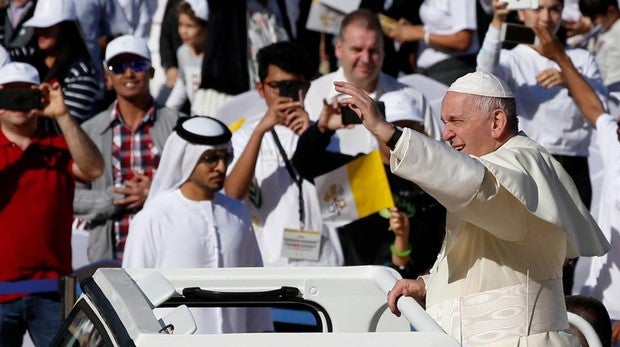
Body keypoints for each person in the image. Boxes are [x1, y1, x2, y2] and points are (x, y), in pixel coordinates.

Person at [333, 70, 610, 346]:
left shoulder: (522, 165)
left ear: (497, 122)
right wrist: (429, 286)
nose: (446, 134)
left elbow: (474, 183)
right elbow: (488, 266)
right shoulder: (500, 167)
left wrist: (389, 133)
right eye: (444, 122)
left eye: (456, 121)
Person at [476, 0, 608, 294]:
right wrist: (497, 22)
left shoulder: (581, 59)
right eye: (538, 7)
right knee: (525, 252)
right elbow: (484, 74)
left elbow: (601, 109)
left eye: (554, 9)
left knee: (566, 257)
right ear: (521, 12)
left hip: (574, 165)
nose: (546, 17)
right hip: (529, 164)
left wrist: (568, 78)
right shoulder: (513, 58)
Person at [123, 116, 272, 334]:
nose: (221, 167)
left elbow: (256, 290)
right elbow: (132, 297)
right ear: (187, 158)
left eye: (226, 157)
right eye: (211, 158)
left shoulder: (238, 214)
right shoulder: (154, 217)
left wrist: (264, 335)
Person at [0, 62, 103, 346]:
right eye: (9, 94)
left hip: (52, 290)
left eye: (27, 94)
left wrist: (63, 114)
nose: (18, 102)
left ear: (41, 96)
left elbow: (93, 169)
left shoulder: (58, 145)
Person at [292, 90, 445, 278]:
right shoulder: (361, 172)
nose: (401, 136)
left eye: (409, 128)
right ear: (376, 130)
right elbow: (304, 163)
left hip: (426, 289)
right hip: (365, 288)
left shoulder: (435, 175)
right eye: (394, 128)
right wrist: (322, 129)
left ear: (421, 129)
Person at [531, 23, 620, 345]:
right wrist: (559, 56)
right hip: (595, 310)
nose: (617, 119)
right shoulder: (616, 141)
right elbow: (594, 109)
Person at [225, 41, 342, 267]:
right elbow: (232, 194)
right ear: (261, 89)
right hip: (269, 265)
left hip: (325, 263)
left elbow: (341, 197)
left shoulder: (326, 133)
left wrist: (313, 136)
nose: (284, 94)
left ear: (305, 88)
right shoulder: (243, 135)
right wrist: (260, 130)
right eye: (276, 86)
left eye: (292, 85)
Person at [73, 34, 183, 262]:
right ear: (108, 77)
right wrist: (113, 198)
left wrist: (155, 193)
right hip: (110, 257)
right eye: (118, 66)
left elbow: (196, 187)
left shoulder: (179, 125)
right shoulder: (89, 131)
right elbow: (71, 197)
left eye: (137, 65)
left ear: (151, 72)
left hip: (169, 255)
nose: (129, 73)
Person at [304, 9, 440, 158]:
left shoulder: (412, 97)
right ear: (338, 49)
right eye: (357, 49)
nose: (366, 59)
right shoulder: (314, 95)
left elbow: (438, 156)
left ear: (383, 51)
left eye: (373, 50)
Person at [23, 0, 102, 122]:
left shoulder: (81, 72)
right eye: (38, 26)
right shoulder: (26, 58)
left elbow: (72, 123)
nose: (40, 32)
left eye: (47, 27)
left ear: (64, 28)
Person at [384, 0, 480, 85]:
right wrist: (411, 30)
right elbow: (440, 27)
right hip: (425, 71)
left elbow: (463, 40)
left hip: (450, 71)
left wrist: (420, 34)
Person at [164, 0, 208, 111]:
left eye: (190, 26)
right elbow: (182, 85)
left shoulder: (214, 57)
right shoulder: (182, 53)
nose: (183, 31)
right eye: (181, 24)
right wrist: (167, 112)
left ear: (206, 28)